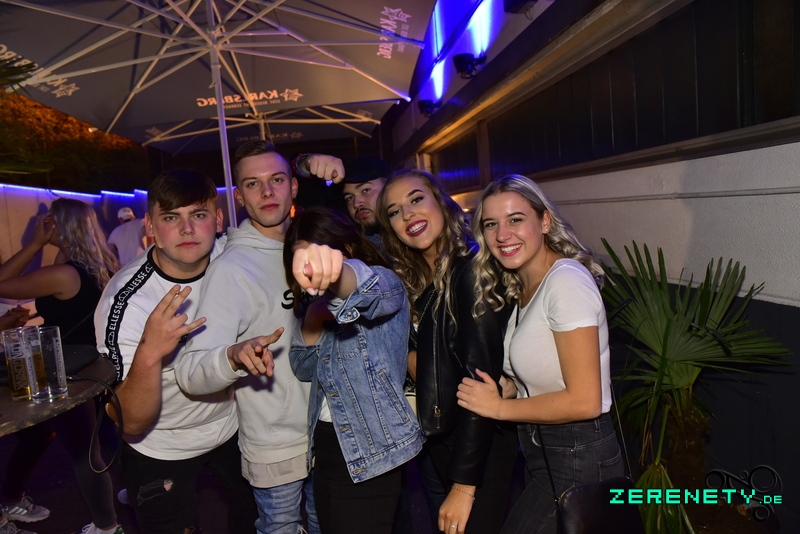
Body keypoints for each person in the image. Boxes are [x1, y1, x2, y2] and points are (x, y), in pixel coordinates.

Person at [175, 142, 343, 534]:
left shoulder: (313, 245)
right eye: (253, 184)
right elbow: (190, 371)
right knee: (280, 527)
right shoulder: (231, 269)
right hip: (275, 437)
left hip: (329, 428)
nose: (267, 192)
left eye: (277, 180)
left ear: (293, 187)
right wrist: (232, 356)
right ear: (239, 196)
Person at [455, 174, 623, 533]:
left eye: (515, 219)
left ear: (544, 221)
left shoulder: (565, 282)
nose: (503, 234)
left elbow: (585, 401)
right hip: (543, 449)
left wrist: (498, 408)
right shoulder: (525, 285)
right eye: (491, 224)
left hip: (578, 453)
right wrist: (511, 387)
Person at [95, 170, 258, 534]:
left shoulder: (234, 256)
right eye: (171, 218)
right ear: (150, 226)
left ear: (218, 220)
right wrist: (150, 352)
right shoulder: (127, 301)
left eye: (198, 214)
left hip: (233, 426)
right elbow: (128, 420)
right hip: (160, 444)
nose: (186, 229)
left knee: (255, 521)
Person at [376, 170, 518, 534]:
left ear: (440, 201)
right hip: (442, 438)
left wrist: (464, 486)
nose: (407, 214)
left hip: (478, 444)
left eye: (416, 199)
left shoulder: (469, 271)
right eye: (394, 211)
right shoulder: (413, 279)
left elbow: (483, 386)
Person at [284, 207, 424, 534]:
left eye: (320, 254)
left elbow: (365, 288)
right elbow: (303, 367)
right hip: (327, 446)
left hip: (372, 446)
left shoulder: (384, 279)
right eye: (302, 258)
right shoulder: (315, 306)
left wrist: (337, 274)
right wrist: (315, 313)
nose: (311, 266)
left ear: (346, 248)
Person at [0, 199, 123, 534]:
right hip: (96, 365)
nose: (42, 224)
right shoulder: (101, 264)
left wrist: (35, 244)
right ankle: (139, 492)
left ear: (60, 225)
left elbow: (2, 283)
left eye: (48, 220)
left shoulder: (64, 274)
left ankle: (107, 526)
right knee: (106, 437)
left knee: (84, 452)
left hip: (67, 370)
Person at [336, 155, 391, 248]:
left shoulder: (412, 232)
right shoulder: (354, 250)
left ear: (389, 188)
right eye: (349, 198)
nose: (356, 204)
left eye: (366, 190)